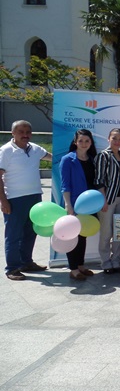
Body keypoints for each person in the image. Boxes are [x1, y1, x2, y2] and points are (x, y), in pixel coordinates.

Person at [0, 120, 51, 280]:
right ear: (12, 133)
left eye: (28, 132)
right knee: (13, 235)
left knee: (30, 232)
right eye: (21, 131)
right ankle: (12, 269)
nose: (25, 135)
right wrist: (3, 201)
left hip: (35, 197)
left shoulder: (35, 149)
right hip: (14, 199)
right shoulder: (5, 151)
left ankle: (26, 262)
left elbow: (53, 158)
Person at [60, 129, 99, 281]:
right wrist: (68, 205)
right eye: (81, 141)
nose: (84, 144)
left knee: (83, 235)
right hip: (75, 204)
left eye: (87, 141)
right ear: (75, 142)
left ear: (91, 143)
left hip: (90, 205)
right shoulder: (67, 160)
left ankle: (81, 265)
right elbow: (65, 185)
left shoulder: (92, 159)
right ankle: (73, 268)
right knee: (72, 236)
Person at [94, 128, 120, 274]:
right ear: (108, 138)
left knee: (119, 232)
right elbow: (99, 179)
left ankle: (116, 260)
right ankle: (105, 262)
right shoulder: (103, 156)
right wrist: (103, 200)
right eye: (114, 138)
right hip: (108, 199)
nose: (117, 141)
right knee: (106, 232)